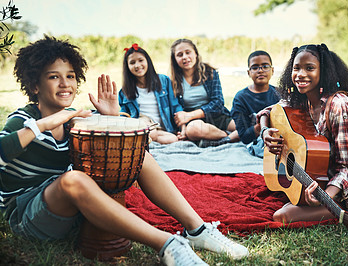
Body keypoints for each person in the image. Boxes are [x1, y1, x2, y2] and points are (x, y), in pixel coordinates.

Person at [0, 36, 249, 265]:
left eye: (71, 76)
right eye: (54, 77)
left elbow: (124, 141)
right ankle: (168, 244)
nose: (66, 84)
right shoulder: (22, 120)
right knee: (73, 179)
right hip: (28, 215)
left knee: (139, 156)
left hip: (71, 213)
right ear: (34, 85)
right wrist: (44, 124)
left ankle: (197, 230)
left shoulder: (73, 120)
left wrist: (111, 114)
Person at [258, 44, 348, 223]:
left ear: (324, 72)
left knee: (283, 216)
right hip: (319, 177)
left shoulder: (339, 106)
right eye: (296, 68)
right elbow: (267, 112)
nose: (300, 74)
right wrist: (265, 131)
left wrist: (325, 196)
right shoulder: (301, 99)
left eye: (310, 68)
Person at [170, 38, 239, 147]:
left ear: (196, 54)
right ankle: (228, 137)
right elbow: (177, 110)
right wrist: (183, 129)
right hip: (193, 122)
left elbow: (218, 103)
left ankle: (218, 138)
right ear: (174, 59)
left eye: (188, 52)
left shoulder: (210, 73)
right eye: (180, 55)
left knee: (245, 126)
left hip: (216, 115)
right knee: (193, 129)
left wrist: (189, 115)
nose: (185, 57)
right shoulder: (173, 81)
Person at [119, 43, 182, 144]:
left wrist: (182, 127)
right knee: (149, 130)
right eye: (132, 62)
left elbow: (175, 105)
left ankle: (149, 141)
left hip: (161, 128)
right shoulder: (124, 91)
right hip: (142, 124)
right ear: (127, 67)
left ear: (147, 61)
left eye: (141, 60)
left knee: (173, 139)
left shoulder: (163, 80)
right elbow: (124, 116)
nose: (137, 65)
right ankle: (148, 138)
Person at [231, 50, 280, 158]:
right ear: (248, 72)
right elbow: (244, 137)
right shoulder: (240, 98)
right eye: (255, 67)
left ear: (272, 70)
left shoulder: (280, 94)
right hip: (257, 143)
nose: (260, 70)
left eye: (265, 66)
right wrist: (263, 126)